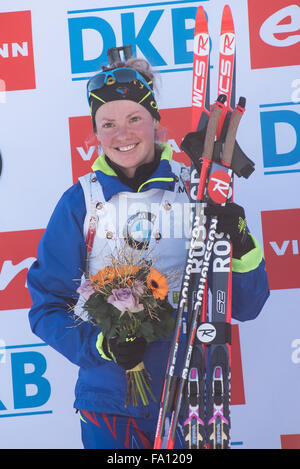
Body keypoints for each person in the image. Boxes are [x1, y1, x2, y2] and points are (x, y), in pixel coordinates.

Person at [27, 48, 270, 449]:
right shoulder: (81, 202)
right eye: (108, 124)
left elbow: (246, 305)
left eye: (134, 118)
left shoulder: (197, 191)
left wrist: (239, 238)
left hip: (192, 400)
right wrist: (102, 344)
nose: (122, 135)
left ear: (155, 120)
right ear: (95, 131)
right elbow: (47, 307)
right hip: (108, 402)